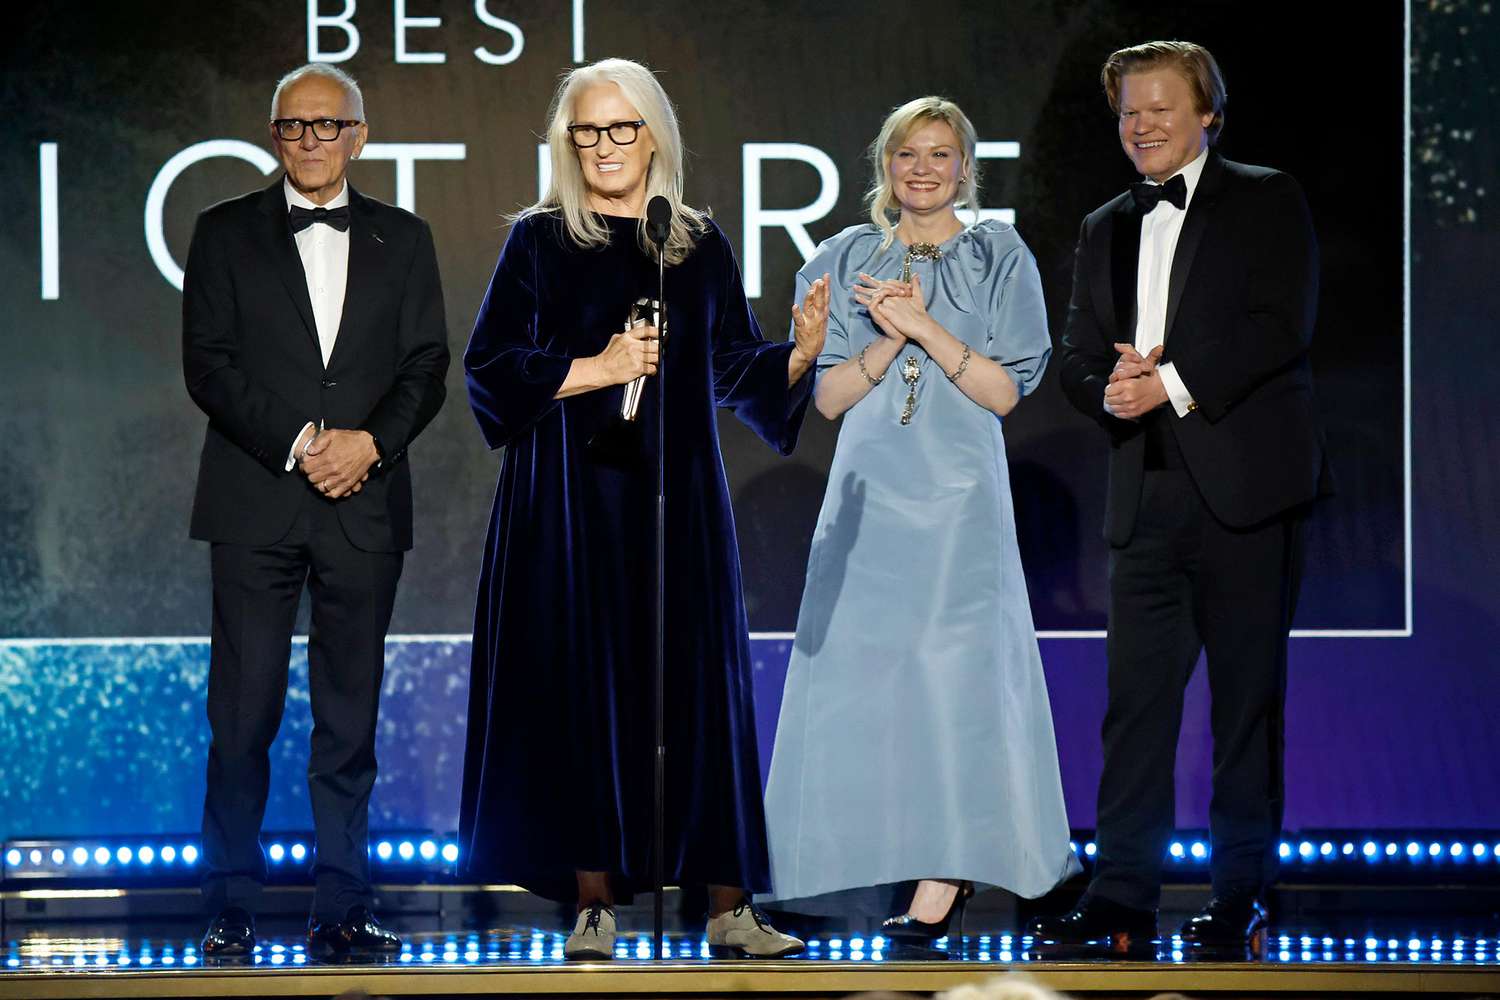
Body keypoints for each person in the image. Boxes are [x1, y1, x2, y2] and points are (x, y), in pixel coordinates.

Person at [458, 57, 826, 960]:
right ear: (566, 141)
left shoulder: (694, 242)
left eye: (622, 129)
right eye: (588, 131)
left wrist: (800, 353)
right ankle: (594, 902)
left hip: (678, 506)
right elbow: (491, 371)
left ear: (654, 136)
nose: (605, 147)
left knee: (697, 690)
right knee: (587, 692)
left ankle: (728, 908)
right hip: (570, 510)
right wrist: (598, 368)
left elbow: (733, 368)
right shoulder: (538, 242)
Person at [1029, 40, 1326, 957]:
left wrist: (1175, 383)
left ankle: (1241, 895)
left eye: (1161, 107)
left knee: (1245, 709)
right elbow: (1076, 352)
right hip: (1144, 495)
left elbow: (1282, 325)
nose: (1142, 124)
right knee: (1136, 711)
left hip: (1247, 496)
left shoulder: (1267, 197)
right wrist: (1108, 390)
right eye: (1128, 111)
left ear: (1209, 116)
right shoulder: (1102, 225)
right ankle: (1121, 897)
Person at [762, 97, 1078, 941]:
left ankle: (944, 880)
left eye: (942, 154)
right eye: (909, 153)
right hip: (867, 502)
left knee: (958, 687)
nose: (925, 168)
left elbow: (1004, 391)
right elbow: (826, 400)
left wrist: (922, 325)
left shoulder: (998, 253)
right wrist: (884, 340)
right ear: (885, 164)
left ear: (966, 168)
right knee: (852, 683)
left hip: (961, 503)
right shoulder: (840, 257)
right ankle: (827, 872)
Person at [182, 63, 449, 960]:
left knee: (349, 717)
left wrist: (368, 445)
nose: (310, 140)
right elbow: (209, 367)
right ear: (273, 135)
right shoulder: (222, 233)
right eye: (293, 126)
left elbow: (426, 366)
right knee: (244, 712)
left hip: (363, 505)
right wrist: (303, 441)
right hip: (256, 499)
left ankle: (343, 898)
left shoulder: (404, 239)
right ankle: (230, 898)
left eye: (327, 126)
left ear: (359, 136)